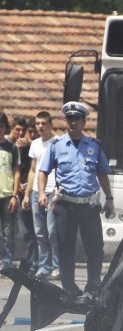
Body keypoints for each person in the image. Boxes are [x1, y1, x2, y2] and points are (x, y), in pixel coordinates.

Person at [38, 102, 114, 307]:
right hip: (65, 206)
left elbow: (102, 173)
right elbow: (43, 171)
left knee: (95, 249)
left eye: (77, 119)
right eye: (70, 119)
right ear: (66, 121)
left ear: (84, 121)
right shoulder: (56, 145)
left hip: (88, 206)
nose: (73, 122)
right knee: (65, 249)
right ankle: (70, 290)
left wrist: (109, 199)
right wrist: (43, 194)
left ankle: (92, 287)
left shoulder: (94, 146)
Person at [22, 111, 59, 280]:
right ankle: (44, 266)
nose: (40, 127)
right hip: (37, 191)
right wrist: (27, 195)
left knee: (52, 231)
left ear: (50, 124)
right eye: (37, 124)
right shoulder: (35, 144)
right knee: (40, 232)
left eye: (43, 123)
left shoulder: (58, 142)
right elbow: (32, 170)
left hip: (53, 191)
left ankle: (57, 265)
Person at [12, 117, 37, 270]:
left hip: (29, 193)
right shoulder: (12, 147)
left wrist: (27, 185)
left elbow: (34, 171)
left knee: (33, 231)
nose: (21, 134)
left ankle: (33, 262)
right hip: (14, 193)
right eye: (18, 130)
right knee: (20, 231)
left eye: (24, 131)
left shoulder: (33, 149)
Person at [0, 112, 20, 271]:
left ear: (5, 128)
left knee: (8, 231)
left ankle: (6, 262)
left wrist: (14, 196)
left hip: (7, 195)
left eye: (1, 127)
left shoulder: (12, 147)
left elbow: (17, 172)